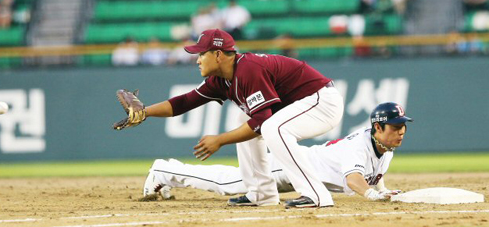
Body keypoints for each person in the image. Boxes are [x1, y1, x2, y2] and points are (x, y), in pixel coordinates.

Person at [113, 28, 344, 208]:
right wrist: (146, 112)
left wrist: (220, 140)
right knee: (242, 119)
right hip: (302, 104)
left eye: (201, 53)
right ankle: (261, 193)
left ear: (218, 54)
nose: (197, 59)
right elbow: (185, 101)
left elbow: (262, 122)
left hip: (321, 101)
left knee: (273, 128)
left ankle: (315, 195)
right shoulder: (221, 79)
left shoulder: (248, 69)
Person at [143, 102, 412, 202]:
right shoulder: (360, 145)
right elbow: (355, 180)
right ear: (378, 126)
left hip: (300, 174)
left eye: (403, 127)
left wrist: (382, 189)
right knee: (229, 183)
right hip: (290, 167)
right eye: (396, 126)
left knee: (233, 180)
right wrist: (373, 194)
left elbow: (371, 176)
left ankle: (167, 172)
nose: (401, 131)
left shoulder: (384, 147)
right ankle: (163, 171)